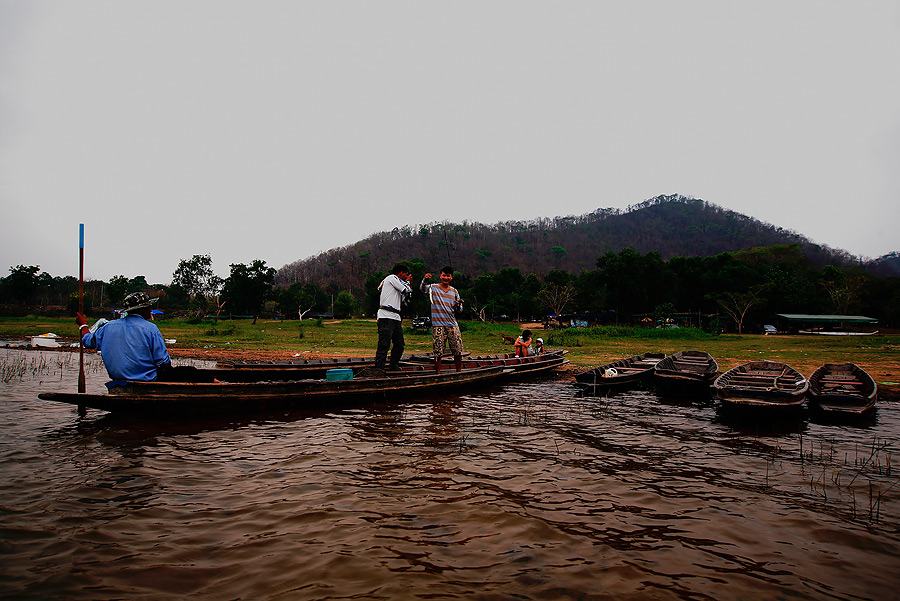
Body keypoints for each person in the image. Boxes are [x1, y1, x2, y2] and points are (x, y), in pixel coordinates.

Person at [76, 291, 173, 381]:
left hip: (118, 378)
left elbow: (87, 340)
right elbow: (163, 362)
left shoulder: (109, 326)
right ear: (142, 309)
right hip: (147, 379)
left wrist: (83, 325)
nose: (150, 310)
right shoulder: (150, 329)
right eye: (148, 307)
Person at [420, 266, 464, 374]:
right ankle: (438, 372)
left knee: (457, 350)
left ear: (451, 277)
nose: (446, 278)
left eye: (448, 276)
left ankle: (459, 371)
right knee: (438, 351)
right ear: (440, 276)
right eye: (444, 275)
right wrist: (425, 279)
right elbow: (422, 288)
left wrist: (459, 305)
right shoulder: (433, 287)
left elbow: (460, 310)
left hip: (452, 324)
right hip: (438, 325)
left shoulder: (454, 291)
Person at [374, 263, 412, 373]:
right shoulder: (392, 278)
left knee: (399, 344)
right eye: (406, 274)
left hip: (396, 317)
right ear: (401, 273)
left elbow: (406, 300)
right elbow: (406, 290)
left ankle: (393, 364)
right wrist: (409, 282)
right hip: (386, 315)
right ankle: (379, 368)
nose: (406, 276)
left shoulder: (397, 285)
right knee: (384, 344)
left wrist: (408, 286)